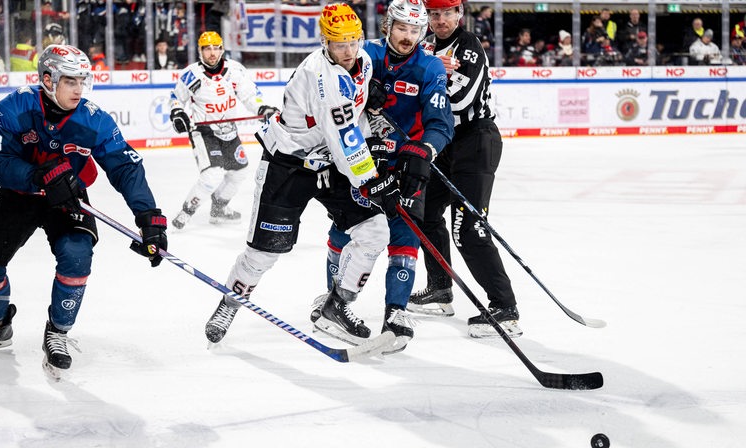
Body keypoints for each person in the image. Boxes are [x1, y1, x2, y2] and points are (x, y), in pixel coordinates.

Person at [204, 3, 399, 346]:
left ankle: (337, 306)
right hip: (289, 165)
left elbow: (349, 122)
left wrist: (369, 102)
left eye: (354, 41)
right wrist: (370, 180)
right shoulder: (319, 77)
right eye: (340, 44)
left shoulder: (363, 62)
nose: (349, 50)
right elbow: (343, 138)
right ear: (325, 41)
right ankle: (229, 303)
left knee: (374, 231)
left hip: (328, 163)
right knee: (264, 253)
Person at [0, 44, 168, 375]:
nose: (79, 89)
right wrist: (37, 176)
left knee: (77, 255)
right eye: (70, 81)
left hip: (68, 197)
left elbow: (125, 167)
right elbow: (0, 164)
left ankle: (58, 332)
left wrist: (149, 218)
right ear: (47, 79)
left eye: (82, 81)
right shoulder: (14, 107)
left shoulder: (94, 120)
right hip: (21, 193)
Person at [314, 0, 453, 353]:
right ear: (387, 26)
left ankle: (396, 313)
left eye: (414, 30)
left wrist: (425, 151)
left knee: (406, 233)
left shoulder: (429, 66)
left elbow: (441, 122)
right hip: (361, 162)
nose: (408, 37)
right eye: (402, 28)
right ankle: (334, 300)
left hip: (405, 163)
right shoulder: (364, 55)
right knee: (346, 228)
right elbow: (328, 83)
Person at [407, 0, 521, 339]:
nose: (440, 21)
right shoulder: (426, 46)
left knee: (468, 228)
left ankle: (505, 307)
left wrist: (426, 75)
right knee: (424, 214)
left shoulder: (469, 47)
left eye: (447, 13)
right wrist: (427, 69)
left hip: (476, 140)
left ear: (459, 14)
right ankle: (440, 288)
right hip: (446, 143)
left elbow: (458, 101)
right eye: (434, 14)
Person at [169, 31, 278, 229]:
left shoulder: (235, 71)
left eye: (216, 48)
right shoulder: (192, 74)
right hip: (204, 132)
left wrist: (262, 108)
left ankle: (218, 208)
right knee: (212, 175)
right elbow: (176, 98)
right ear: (200, 51)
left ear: (222, 49)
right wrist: (177, 112)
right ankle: (186, 212)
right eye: (207, 48)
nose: (212, 53)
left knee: (239, 172)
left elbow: (250, 96)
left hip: (229, 131)